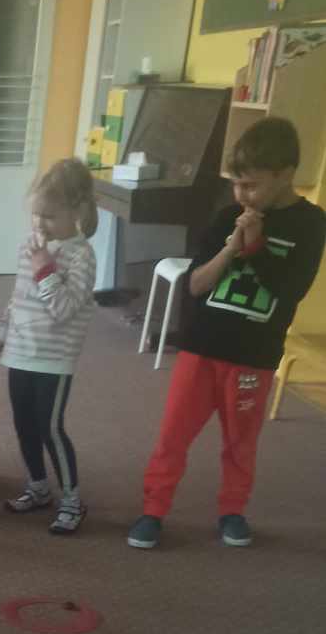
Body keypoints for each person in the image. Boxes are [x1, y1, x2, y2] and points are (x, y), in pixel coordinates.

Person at [127, 116, 326, 550]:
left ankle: (232, 511)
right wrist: (233, 247)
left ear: (286, 175)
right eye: (236, 184)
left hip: (254, 357)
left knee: (240, 442)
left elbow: (290, 290)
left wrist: (257, 247)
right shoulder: (226, 216)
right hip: (201, 349)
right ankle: (153, 509)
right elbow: (196, 285)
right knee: (173, 435)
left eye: (252, 186)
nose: (242, 195)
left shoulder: (311, 224)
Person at [0, 157, 98, 535]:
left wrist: (44, 267)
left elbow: (64, 308)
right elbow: (19, 295)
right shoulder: (31, 245)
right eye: (36, 214)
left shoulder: (81, 255)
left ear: (77, 211)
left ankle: (72, 500)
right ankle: (38, 487)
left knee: (49, 427)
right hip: (20, 351)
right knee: (24, 423)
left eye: (50, 216)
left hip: (54, 358)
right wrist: (3, 330)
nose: (40, 224)